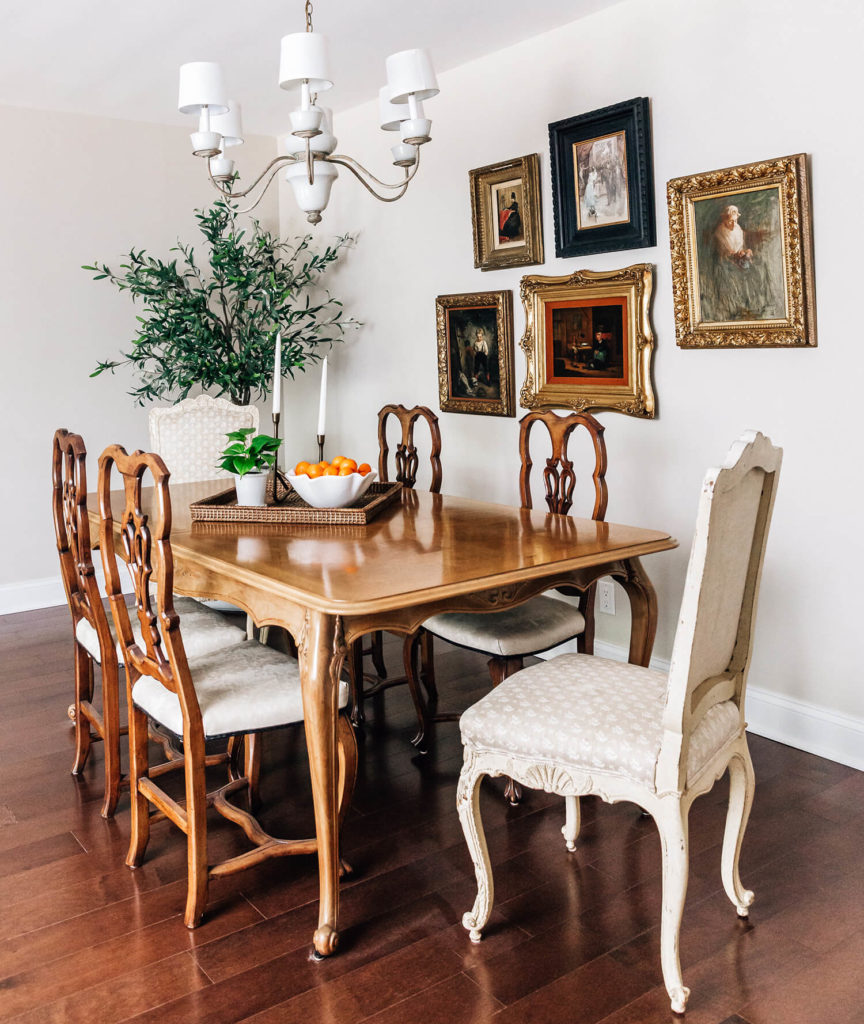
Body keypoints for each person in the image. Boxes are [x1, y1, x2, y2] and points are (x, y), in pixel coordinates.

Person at [701, 204, 781, 322]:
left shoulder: (738, 229)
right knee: (739, 274)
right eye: (730, 221)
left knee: (759, 268)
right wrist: (734, 255)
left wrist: (746, 252)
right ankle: (738, 308)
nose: (733, 224)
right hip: (725, 262)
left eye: (735, 220)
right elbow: (724, 253)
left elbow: (742, 247)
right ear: (724, 219)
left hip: (739, 259)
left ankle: (759, 303)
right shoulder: (720, 232)